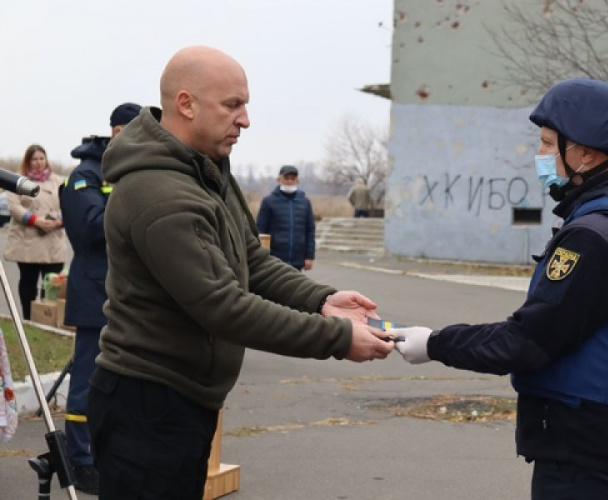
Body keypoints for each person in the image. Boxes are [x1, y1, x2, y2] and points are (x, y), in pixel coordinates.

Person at [87, 45, 394, 500]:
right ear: (186, 104)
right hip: (148, 405)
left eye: (245, 104)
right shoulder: (159, 193)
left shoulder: (205, 171)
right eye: (232, 105)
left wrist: (320, 299)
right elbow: (223, 307)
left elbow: (250, 259)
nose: (245, 119)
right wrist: (337, 336)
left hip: (183, 401)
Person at [392, 78, 608, 499]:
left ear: (585, 153)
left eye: (549, 143)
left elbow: (527, 341)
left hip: (588, 453)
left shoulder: (596, 237)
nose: (540, 155)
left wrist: (434, 344)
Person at [58, 102, 141, 495]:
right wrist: (137, 202)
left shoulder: (132, 174)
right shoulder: (84, 176)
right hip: (94, 294)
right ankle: (80, 461)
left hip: (129, 296)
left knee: (121, 384)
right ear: (118, 132)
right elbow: (91, 227)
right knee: (87, 383)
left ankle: (110, 455)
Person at [3, 144, 66, 320]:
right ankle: (28, 319)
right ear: (28, 161)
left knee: (52, 284)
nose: (38, 162)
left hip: (52, 241)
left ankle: (47, 318)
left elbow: (68, 202)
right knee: (28, 283)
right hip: (27, 242)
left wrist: (59, 220)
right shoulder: (18, 181)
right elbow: (14, 206)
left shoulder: (57, 181)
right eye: (34, 159)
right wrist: (35, 220)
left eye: (41, 158)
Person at [256, 165, 316, 271]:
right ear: (279, 180)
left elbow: (310, 231)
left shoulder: (305, 202)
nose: (289, 181)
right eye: (286, 178)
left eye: (292, 179)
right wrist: (262, 256)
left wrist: (309, 256)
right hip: (274, 259)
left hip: (297, 259)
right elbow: (260, 230)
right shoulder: (268, 201)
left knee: (296, 287)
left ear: (297, 181)